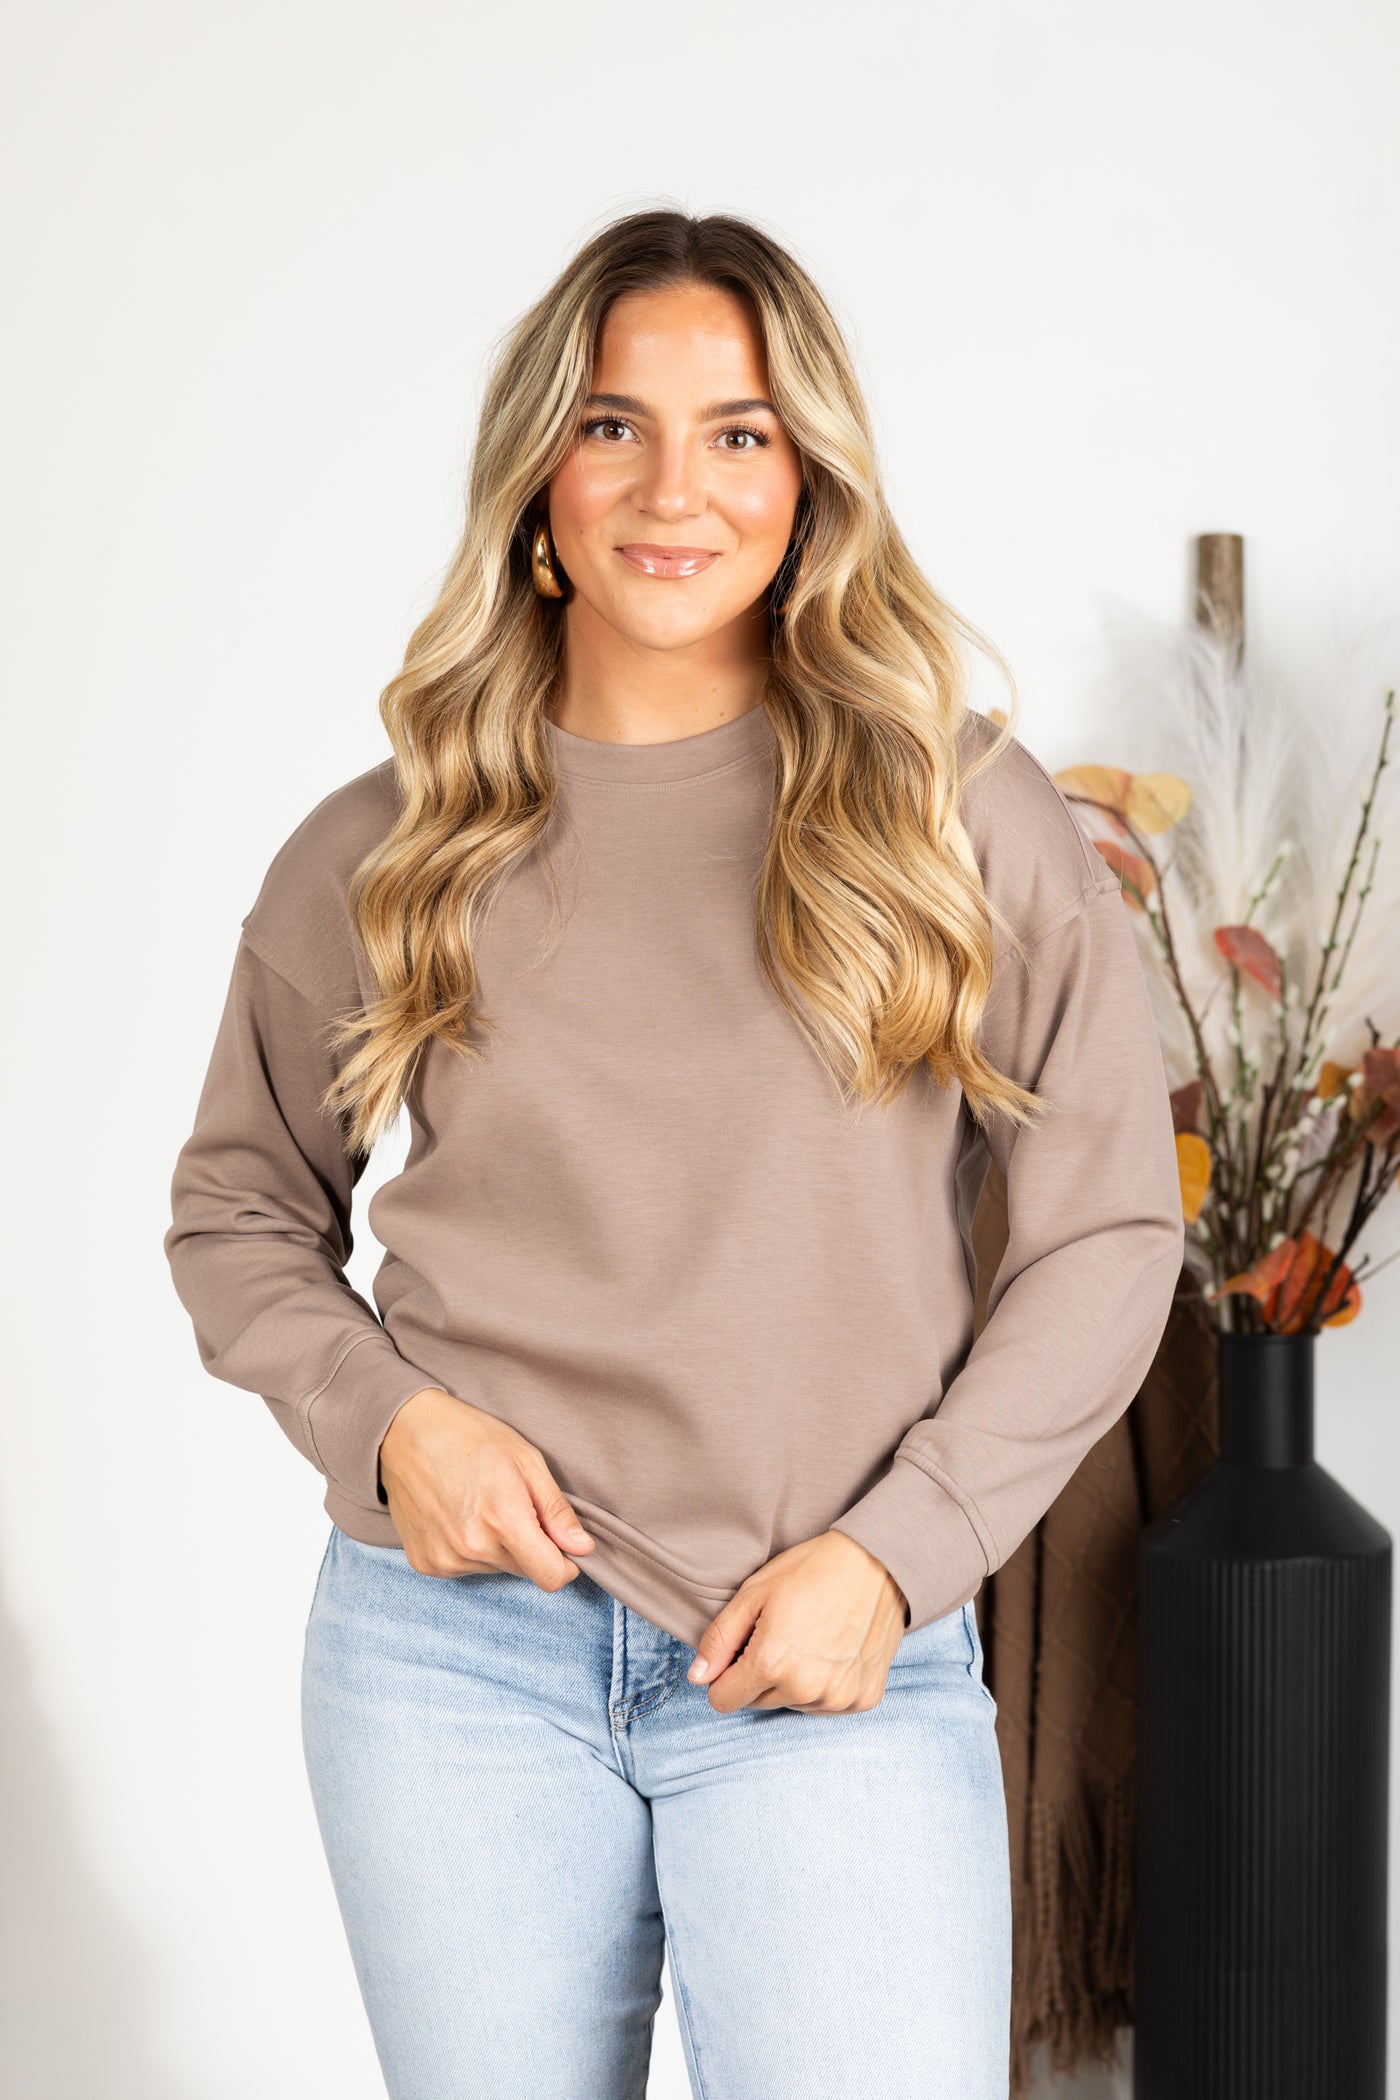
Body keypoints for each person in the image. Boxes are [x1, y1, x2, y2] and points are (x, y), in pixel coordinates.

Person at [163, 208, 1184, 2100]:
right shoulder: (388, 844)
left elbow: (1108, 1236)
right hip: (452, 1669)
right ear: (541, 475)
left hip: (839, 1651)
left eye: (739, 433)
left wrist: (899, 1555)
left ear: (809, 481)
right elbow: (235, 1208)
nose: (673, 489)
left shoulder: (958, 819)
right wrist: (393, 1428)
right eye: (614, 425)